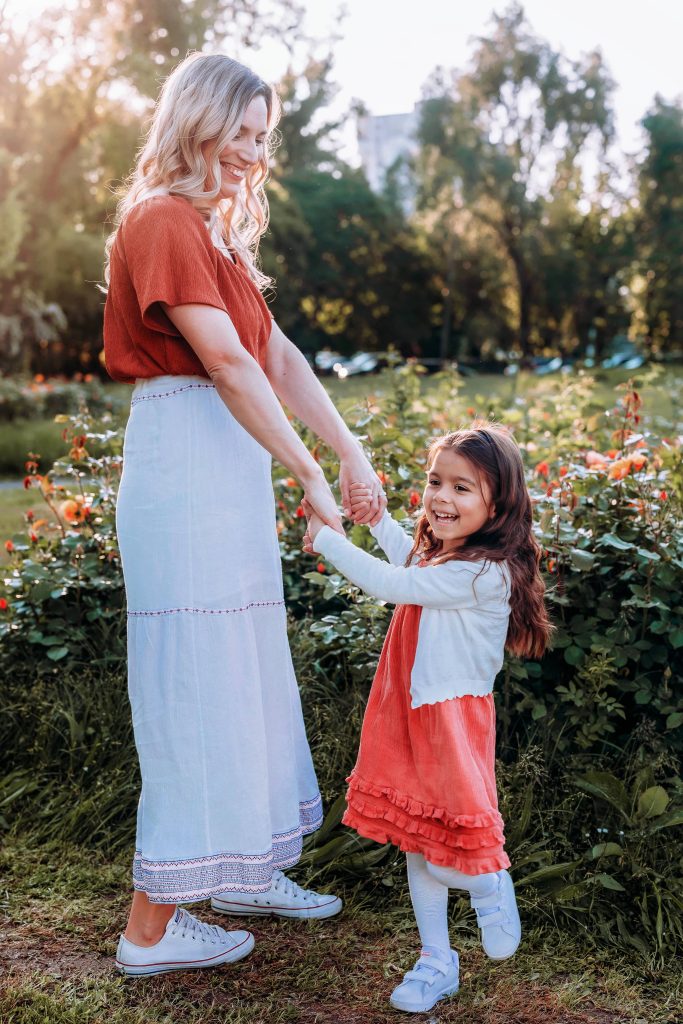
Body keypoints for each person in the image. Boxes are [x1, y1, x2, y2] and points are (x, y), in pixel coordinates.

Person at [102, 51, 385, 978]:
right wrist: (305, 471)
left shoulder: (211, 234)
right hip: (185, 465)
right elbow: (224, 364)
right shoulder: (161, 219)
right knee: (195, 684)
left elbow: (275, 355)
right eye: (243, 132)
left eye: (264, 139)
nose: (255, 155)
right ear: (198, 118)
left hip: (222, 471)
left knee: (243, 674)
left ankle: (243, 871)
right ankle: (150, 930)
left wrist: (345, 451)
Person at [303, 424, 552, 1014]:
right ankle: (436, 959)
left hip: (449, 721)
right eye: (436, 481)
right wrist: (375, 520)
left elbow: (394, 584)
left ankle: (488, 884)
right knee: (419, 843)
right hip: (410, 712)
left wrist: (326, 539)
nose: (441, 497)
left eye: (462, 488)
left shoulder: (483, 572)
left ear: (499, 505)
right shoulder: (450, 556)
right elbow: (407, 562)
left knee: (445, 850)